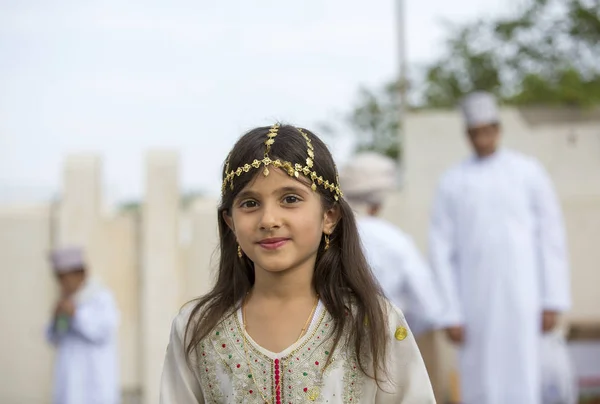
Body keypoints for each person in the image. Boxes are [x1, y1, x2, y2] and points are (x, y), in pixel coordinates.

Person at [160, 124, 435, 403]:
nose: (269, 220)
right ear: (230, 221)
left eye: (290, 199)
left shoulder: (374, 323)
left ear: (329, 216)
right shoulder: (197, 329)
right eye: (250, 203)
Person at [428, 91, 571, 404]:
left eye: (487, 131)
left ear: (498, 129)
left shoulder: (528, 171)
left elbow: (551, 236)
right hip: (473, 302)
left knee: (524, 374)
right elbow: (441, 250)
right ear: (467, 135)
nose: (482, 139)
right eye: (475, 133)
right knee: (481, 379)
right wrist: (449, 313)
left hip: (526, 298)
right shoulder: (453, 181)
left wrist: (552, 299)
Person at [339, 151, 443, 336]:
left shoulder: (329, 236)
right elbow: (429, 308)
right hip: (388, 341)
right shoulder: (396, 241)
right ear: (379, 202)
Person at [46, 246, 120, 404]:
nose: (62, 283)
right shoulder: (66, 300)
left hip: (95, 390)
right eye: (59, 278)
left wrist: (76, 314)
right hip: (69, 390)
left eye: (65, 277)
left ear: (81, 273)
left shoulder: (101, 297)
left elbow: (104, 331)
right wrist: (56, 318)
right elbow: (54, 338)